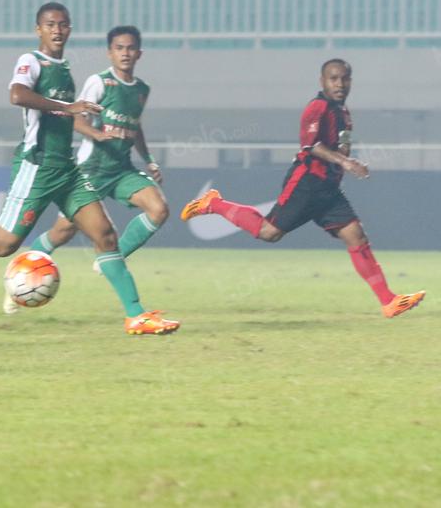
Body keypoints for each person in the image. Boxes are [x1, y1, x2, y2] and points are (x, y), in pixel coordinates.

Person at [0, 3, 180, 335]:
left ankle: (136, 315)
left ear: (70, 30)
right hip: (37, 166)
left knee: (105, 235)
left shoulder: (65, 69)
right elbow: (17, 95)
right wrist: (67, 107)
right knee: (2, 244)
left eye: (63, 25)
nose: (57, 30)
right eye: (50, 24)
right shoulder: (32, 61)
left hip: (67, 170)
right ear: (38, 30)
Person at [181, 59, 425, 318]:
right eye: (333, 78)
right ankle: (213, 203)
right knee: (269, 232)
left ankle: (389, 301)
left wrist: (347, 157)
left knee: (356, 236)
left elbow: (343, 145)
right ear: (322, 82)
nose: (339, 84)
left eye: (344, 78)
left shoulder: (344, 114)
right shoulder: (316, 108)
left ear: (351, 81)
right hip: (307, 183)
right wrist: (345, 162)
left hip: (329, 189)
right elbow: (311, 146)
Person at [17, 26, 169, 311]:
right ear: (110, 52)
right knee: (63, 232)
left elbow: (135, 127)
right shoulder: (99, 83)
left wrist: (148, 159)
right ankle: (21, 274)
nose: (125, 53)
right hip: (91, 169)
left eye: (130, 48)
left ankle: (112, 259)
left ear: (139, 53)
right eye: (119, 48)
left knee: (159, 209)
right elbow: (74, 118)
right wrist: (98, 135)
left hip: (122, 169)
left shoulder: (141, 90)